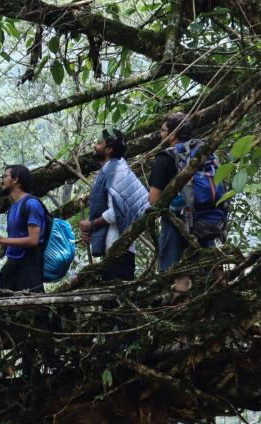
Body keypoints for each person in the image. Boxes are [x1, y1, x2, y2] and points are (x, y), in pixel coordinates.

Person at [148, 113, 217, 296]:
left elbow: (154, 200)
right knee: (208, 270)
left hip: (175, 224)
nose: (160, 134)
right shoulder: (201, 152)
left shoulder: (165, 158)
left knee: (175, 274)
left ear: (172, 134)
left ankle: (180, 311)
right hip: (205, 220)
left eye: (163, 130)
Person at [80, 128, 149, 281]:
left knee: (115, 301)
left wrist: (91, 225)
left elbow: (116, 211)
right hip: (118, 247)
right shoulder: (116, 168)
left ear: (109, 149)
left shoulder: (114, 170)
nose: (94, 146)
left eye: (99, 143)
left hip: (118, 247)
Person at [0, 164, 48, 293]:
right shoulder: (12, 208)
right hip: (13, 264)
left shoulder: (31, 204)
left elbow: (33, 240)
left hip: (29, 267)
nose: (1, 180)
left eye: (4, 176)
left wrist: (1, 239)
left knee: (30, 310)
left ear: (15, 180)